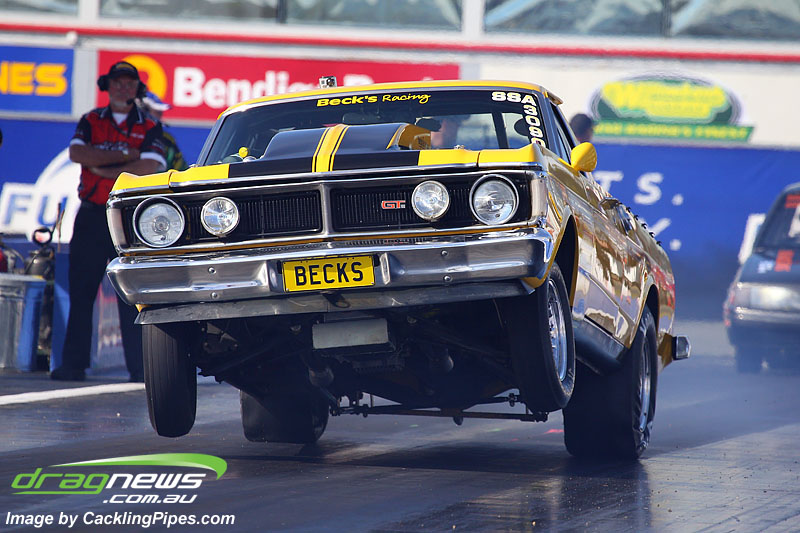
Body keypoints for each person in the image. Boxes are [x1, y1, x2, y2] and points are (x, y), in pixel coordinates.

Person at [51, 61, 166, 382]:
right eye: (117, 81)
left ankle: (140, 369)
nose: (123, 87)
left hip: (128, 218)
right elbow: (78, 155)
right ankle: (73, 365)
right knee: (81, 292)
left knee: (132, 295)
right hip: (90, 215)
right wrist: (127, 157)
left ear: (137, 88)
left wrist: (102, 167)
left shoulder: (149, 125)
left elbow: (150, 167)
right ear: (107, 85)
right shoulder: (90, 120)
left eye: (129, 82)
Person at [138, 91, 188, 171]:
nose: (160, 116)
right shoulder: (124, 135)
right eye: (156, 112)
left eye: (160, 112)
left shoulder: (167, 140)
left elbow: (182, 171)